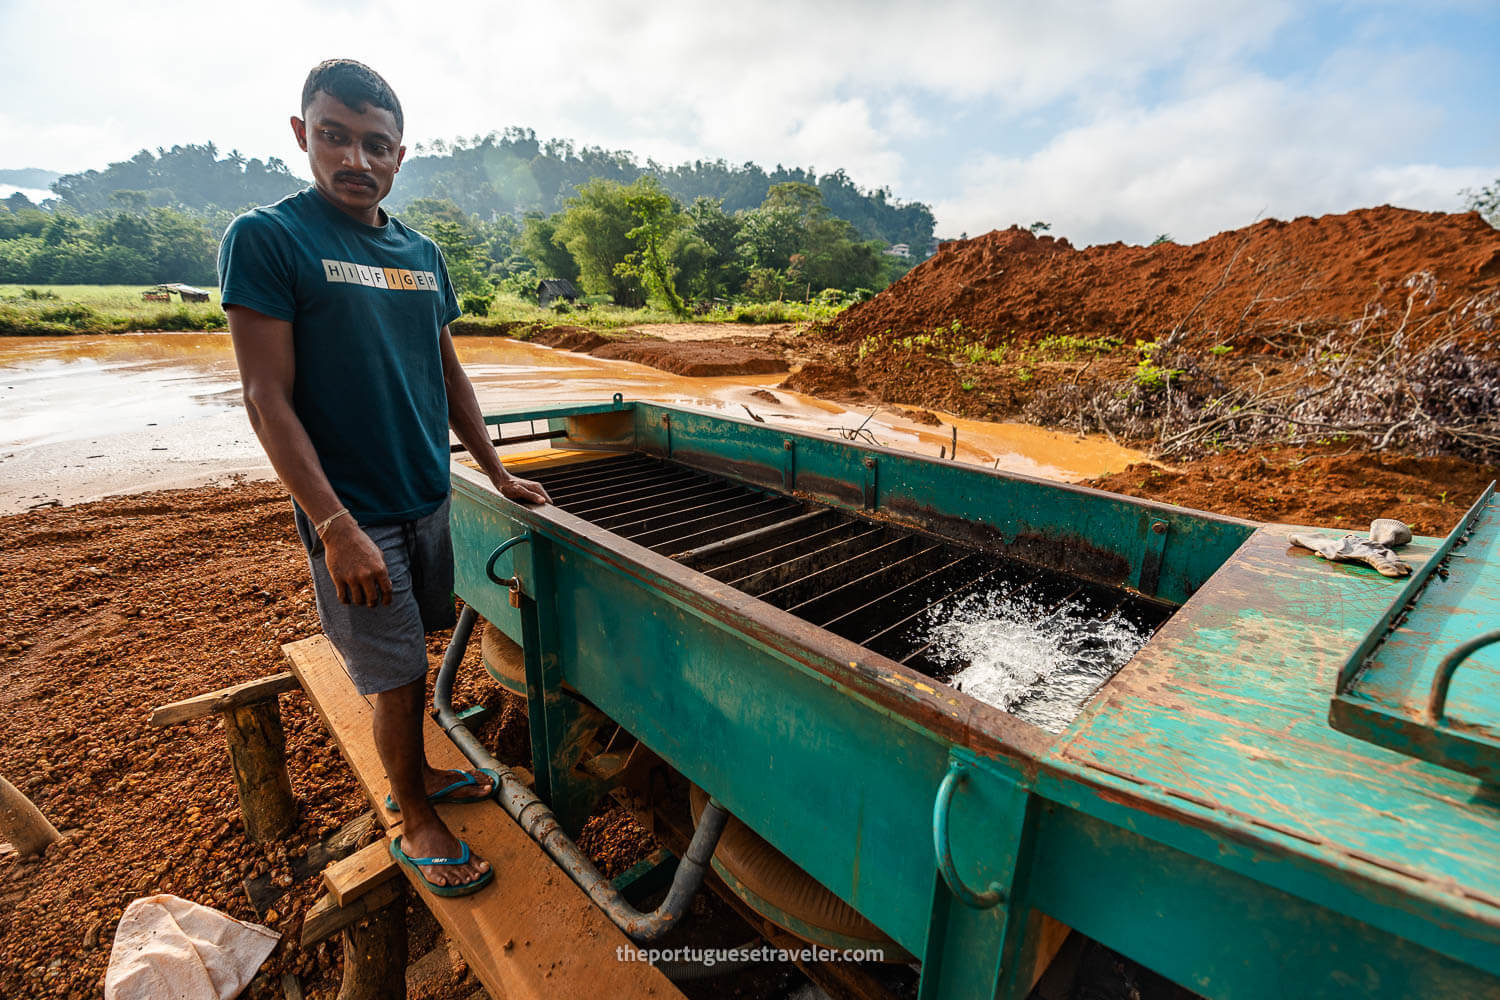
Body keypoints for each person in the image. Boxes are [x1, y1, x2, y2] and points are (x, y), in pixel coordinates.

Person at [219, 59, 549, 896]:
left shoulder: (422, 252)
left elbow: (452, 380)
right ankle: (416, 816)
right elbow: (266, 399)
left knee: (417, 646)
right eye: (334, 137)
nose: (354, 160)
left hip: (425, 495)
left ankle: (426, 773)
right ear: (303, 135)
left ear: (401, 154)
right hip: (355, 513)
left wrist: (497, 474)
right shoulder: (268, 237)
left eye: (375, 145)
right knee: (396, 677)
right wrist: (334, 528)